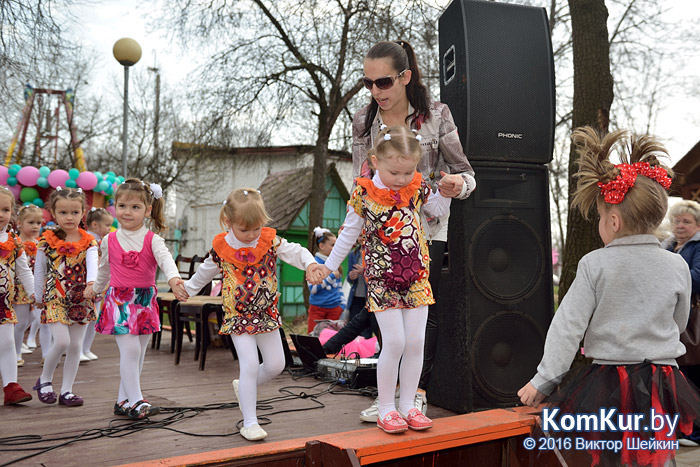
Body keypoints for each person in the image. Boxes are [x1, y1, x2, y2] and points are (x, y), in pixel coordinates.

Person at [518, 127, 700, 466]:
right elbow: (679, 321)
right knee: (657, 455)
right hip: (663, 382)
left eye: (601, 217)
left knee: (609, 457)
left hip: (610, 382)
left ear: (613, 221)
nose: (601, 223)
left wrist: (543, 381)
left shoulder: (595, 264)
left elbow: (567, 327)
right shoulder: (676, 265)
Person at [353, 40, 476, 421]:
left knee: (424, 321)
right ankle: (387, 399)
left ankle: (416, 394)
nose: (376, 91)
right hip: (380, 238)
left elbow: (466, 173)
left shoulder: (437, 115)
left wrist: (459, 184)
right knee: (384, 317)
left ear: (405, 77)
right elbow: (361, 180)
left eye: (384, 82)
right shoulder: (362, 120)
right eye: (368, 83)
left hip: (427, 230)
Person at [320, 125, 455, 434]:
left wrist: (447, 193)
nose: (401, 179)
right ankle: (385, 407)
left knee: (415, 342)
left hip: (416, 276)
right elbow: (348, 234)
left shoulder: (417, 186)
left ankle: (408, 405)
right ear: (376, 161)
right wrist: (328, 266)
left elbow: (435, 210)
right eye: (395, 172)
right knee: (393, 342)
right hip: (383, 279)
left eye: (408, 172)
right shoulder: (364, 193)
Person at [183, 188, 324, 441]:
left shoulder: (269, 241)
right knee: (248, 365)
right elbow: (204, 273)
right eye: (244, 230)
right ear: (229, 222)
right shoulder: (222, 248)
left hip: (266, 313)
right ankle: (249, 422)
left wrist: (311, 263)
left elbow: (296, 251)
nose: (251, 235)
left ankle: (244, 386)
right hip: (237, 315)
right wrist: (187, 290)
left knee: (276, 364)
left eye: (256, 229)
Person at [86, 180, 186, 419]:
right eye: (122, 206)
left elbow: (166, 261)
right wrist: (96, 288)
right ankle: (137, 400)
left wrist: (174, 280)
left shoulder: (153, 239)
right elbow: (104, 269)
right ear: (115, 207)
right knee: (130, 350)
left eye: (134, 207)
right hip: (119, 301)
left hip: (143, 301)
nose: (127, 212)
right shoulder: (109, 240)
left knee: (139, 353)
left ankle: (123, 400)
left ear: (148, 210)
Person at [33, 187, 98, 407]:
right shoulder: (46, 241)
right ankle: (45, 379)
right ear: (53, 213)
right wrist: (38, 295)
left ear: (83, 213)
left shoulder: (89, 242)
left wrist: (92, 284)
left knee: (75, 346)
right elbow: (40, 271)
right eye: (63, 212)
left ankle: (67, 390)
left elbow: (93, 265)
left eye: (74, 212)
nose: (69, 217)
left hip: (80, 298)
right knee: (62, 341)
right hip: (55, 297)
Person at [661, 200, 700, 446]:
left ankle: (695, 432)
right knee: (676, 377)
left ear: (698, 225)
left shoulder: (698, 247)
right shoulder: (667, 247)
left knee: (693, 375)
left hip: (693, 321)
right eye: (676, 220)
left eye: (686, 221)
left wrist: (669, 278)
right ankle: (682, 429)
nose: (680, 225)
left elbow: (697, 278)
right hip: (670, 321)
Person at [0, 187, 34, 405]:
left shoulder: (14, 242)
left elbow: (24, 271)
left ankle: (11, 386)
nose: (0, 214)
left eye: (5, 209)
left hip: (2, 303)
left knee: (7, 344)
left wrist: (34, 295)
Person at [80, 207, 114, 362]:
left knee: (94, 317)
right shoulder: (86, 241)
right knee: (84, 317)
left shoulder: (104, 241)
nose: (109, 228)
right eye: (107, 225)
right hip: (86, 284)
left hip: (100, 285)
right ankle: (78, 348)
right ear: (95, 225)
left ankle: (86, 348)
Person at [12, 205, 42, 367]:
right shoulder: (16, 243)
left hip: (36, 286)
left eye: (38, 222)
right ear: (19, 223)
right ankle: (16, 352)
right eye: (31, 222)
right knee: (22, 322)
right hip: (20, 287)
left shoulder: (39, 243)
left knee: (34, 317)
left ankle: (18, 344)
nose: (36, 226)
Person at [307, 227, 345, 333]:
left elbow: (339, 287)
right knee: (314, 338)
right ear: (321, 246)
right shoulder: (313, 263)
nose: (335, 248)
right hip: (317, 309)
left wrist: (342, 304)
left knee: (332, 340)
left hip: (335, 308)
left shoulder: (336, 263)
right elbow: (313, 289)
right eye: (333, 245)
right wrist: (331, 276)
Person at [345, 237, 371, 339]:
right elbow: (348, 278)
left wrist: (364, 272)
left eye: (364, 234)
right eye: (359, 235)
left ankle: (367, 351)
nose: (362, 238)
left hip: (368, 298)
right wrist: (351, 277)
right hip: (355, 297)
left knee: (366, 329)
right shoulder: (353, 254)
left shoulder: (372, 253)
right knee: (354, 326)